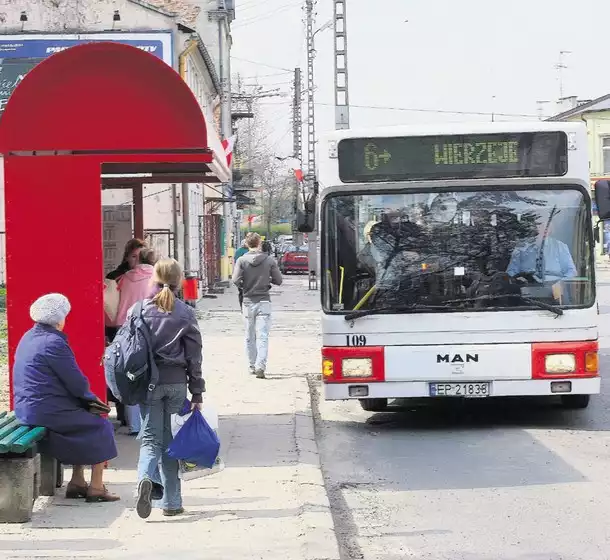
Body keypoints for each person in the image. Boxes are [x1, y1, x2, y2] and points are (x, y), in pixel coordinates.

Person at [12, 293, 119, 502]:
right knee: (100, 425)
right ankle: (96, 486)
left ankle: (77, 481)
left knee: (82, 418)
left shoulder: (28, 337)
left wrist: (84, 401)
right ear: (60, 319)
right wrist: (91, 400)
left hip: (27, 407)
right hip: (44, 411)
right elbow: (76, 382)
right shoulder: (54, 343)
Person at [136, 258, 204, 519]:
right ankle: (172, 502)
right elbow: (194, 357)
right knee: (171, 443)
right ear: (179, 281)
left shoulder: (139, 311)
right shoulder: (186, 313)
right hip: (176, 384)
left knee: (152, 440)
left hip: (148, 385)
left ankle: (144, 478)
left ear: (153, 279)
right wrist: (197, 391)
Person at [114, 248, 157, 436]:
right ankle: (150, 421)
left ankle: (134, 425)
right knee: (151, 373)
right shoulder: (156, 278)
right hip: (149, 327)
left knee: (128, 373)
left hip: (124, 328)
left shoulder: (124, 278)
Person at [105, 238, 147, 427]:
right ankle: (125, 415)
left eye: (140, 256)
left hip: (140, 327)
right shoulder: (116, 276)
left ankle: (134, 417)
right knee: (122, 370)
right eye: (133, 256)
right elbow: (109, 307)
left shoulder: (148, 275)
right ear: (127, 256)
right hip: (119, 329)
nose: (136, 260)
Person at [231, 232, 283, 379]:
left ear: (247, 244)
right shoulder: (269, 260)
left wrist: (244, 286)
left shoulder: (241, 260)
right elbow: (279, 280)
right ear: (259, 243)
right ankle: (261, 366)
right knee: (263, 336)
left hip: (247, 301)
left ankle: (252, 365)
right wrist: (267, 280)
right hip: (264, 301)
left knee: (249, 335)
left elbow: (235, 280)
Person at [507, 228, 577, 282]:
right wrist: (516, 280)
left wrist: (560, 284)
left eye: (543, 224)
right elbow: (509, 275)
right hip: (525, 293)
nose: (538, 229)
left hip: (555, 294)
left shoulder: (560, 247)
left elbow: (571, 272)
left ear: (550, 229)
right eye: (536, 225)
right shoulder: (520, 249)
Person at [234, 240, 249, 309]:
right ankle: (242, 307)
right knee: (241, 291)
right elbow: (237, 263)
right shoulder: (239, 251)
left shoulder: (251, 250)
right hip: (242, 274)